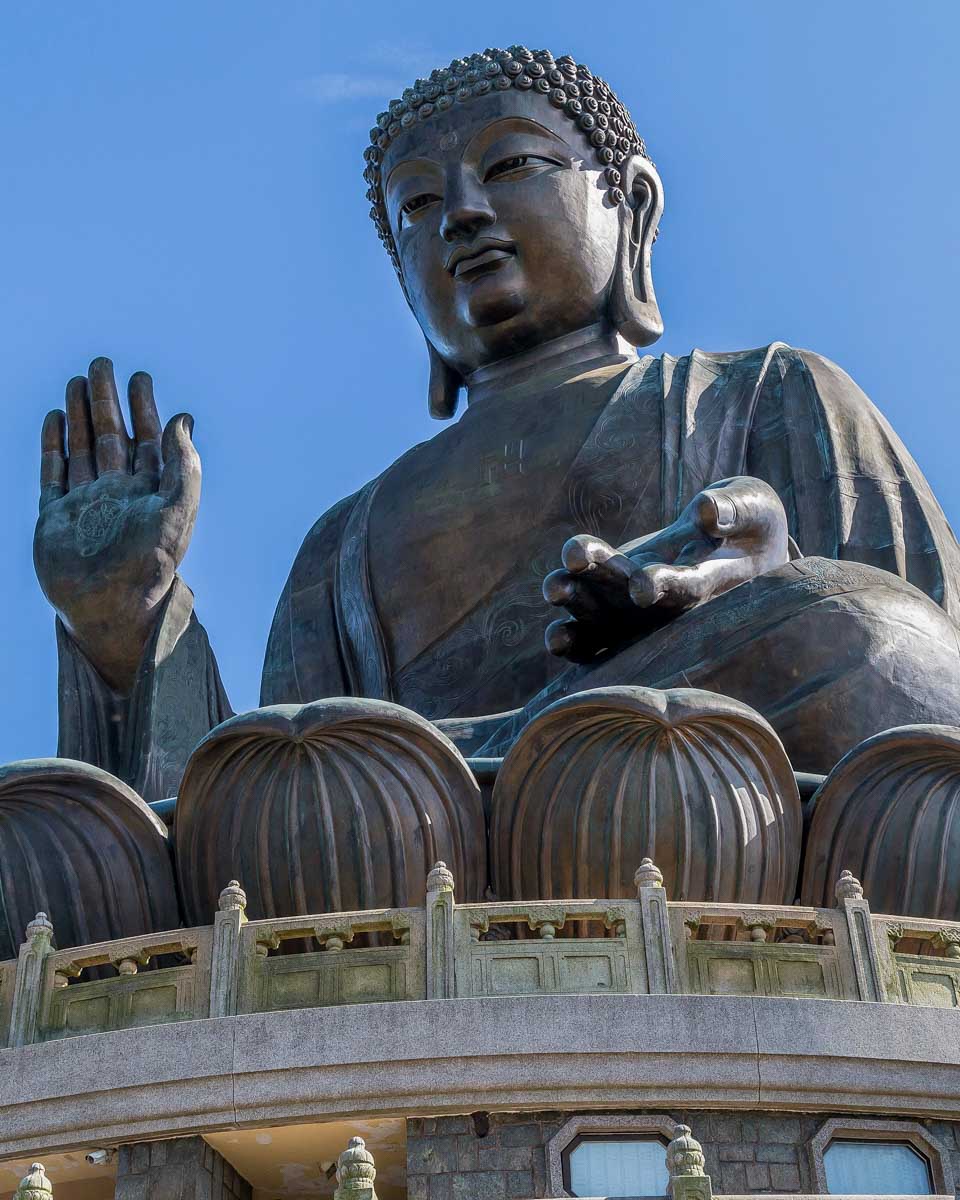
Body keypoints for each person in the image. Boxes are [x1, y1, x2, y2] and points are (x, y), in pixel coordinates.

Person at [33, 46, 960, 803]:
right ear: (404, 278)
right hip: (418, 823)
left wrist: (761, 591)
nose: (462, 217)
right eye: (419, 208)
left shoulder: (766, 393)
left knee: (856, 634)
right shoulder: (342, 542)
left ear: (629, 204)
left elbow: (928, 682)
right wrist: (125, 625)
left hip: (702, 777)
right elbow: (265, 785)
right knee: (79, 817)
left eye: (513, 166)